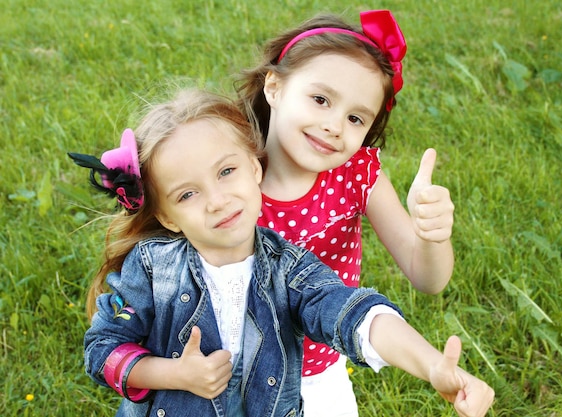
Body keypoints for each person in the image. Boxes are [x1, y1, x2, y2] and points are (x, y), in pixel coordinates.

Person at [71, 88, 493, 417]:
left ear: (255, 168)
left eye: (226, 171)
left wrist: (431, 364)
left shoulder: (287, 268)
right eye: (187, 194)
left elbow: (351, 313)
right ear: (166, 216)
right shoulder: (150, 270)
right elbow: (103, 349)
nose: (217, 200)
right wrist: (172, 374)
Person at [236, 9, 457, 416]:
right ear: (275, 86)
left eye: (355, 117)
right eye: (320, 99)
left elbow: (428, 279)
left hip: (320, 375)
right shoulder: (227, 171)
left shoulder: (355, 175)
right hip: (233, 372)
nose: (335, 126)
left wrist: (431, 237)